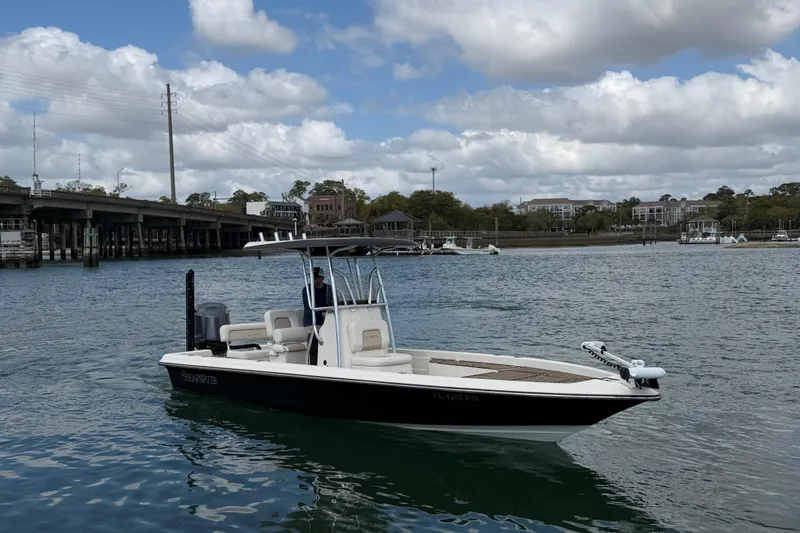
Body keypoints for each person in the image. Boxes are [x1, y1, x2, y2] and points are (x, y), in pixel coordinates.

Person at [302, 266, 328, 365]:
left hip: (328, 321)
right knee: (315, 335)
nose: (313, 279)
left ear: (322, 278)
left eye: (315, 277)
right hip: (312, 322)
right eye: (312, 277)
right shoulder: (307, 290)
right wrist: (322, 313)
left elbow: (334, 302)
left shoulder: (328, 288)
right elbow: (310, 306)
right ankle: (314, 363)